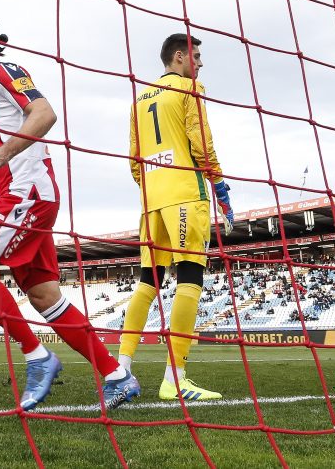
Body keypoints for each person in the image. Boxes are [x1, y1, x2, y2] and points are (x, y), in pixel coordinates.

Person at [0, 16, 137, 411]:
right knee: (44, 295)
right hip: (22, 195)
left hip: (26, 194)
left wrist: (7, 151)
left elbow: (45, 113)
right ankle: (117, 375)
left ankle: (37, 357)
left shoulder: (5, 71)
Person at [118, 33, 234, 401]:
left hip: (151, 199)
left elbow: (134, 157)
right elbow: (201, 142)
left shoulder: (140, 96)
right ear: (180, 57)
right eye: (196, 56)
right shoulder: (189, 89)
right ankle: (175, 377)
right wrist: (219, 185)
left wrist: (152, 186)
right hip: (186, 192)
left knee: (147, 283)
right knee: (190, 278)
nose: (200, 64)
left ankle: (120, 369)